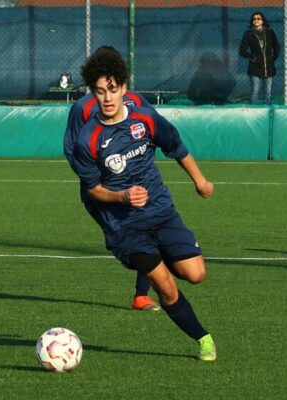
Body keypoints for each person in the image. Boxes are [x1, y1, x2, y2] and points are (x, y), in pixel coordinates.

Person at [71, 46, 217, 361]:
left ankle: (167, 255)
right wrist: (121, 196)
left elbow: (176, 148)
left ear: (124, 87)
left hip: (161, 211)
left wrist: (200, 181)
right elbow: (92, 190)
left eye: (112, 89)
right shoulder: (88, 139)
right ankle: (203, 339)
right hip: (123, 225)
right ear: (92, 94)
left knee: (195, 274)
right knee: (164, 286)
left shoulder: (146, 119)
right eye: (100, 92)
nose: (107, 98)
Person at [63, 57, 160, 312]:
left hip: (135, 186)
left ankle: (142, 295)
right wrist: (96, 179)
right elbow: (72, 150)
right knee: (129, 240)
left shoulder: (136, 101)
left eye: (114, 83)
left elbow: (152, 130)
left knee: (151, 235)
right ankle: (133, 263)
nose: (108, 94)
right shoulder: (82, 109)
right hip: (101, 191)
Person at [239, 11, 280, 105]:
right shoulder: (248, 34)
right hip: (255, 68)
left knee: (268, 93)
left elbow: (276, 47)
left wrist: (273, 58)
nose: (256, 20)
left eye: (258, 18)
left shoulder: (270, 33)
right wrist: (252, 57)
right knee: (255, 91)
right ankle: (253, 113)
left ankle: (268, 112)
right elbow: (242, 51)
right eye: (254, 19)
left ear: (263, 21)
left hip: (268, 67)